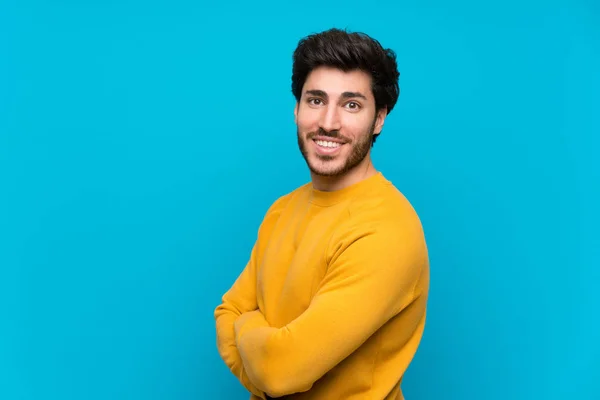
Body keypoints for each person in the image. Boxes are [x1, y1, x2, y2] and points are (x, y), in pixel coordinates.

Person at [214, 28, 430, 400]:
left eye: (351, 105)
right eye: (316, 100)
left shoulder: (386, 230)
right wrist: (261, 365)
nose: (328, 122)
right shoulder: (282, 210)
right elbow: (226, 311)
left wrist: (249, 331)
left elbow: (279, 371)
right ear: (296, 109)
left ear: (379, 118)